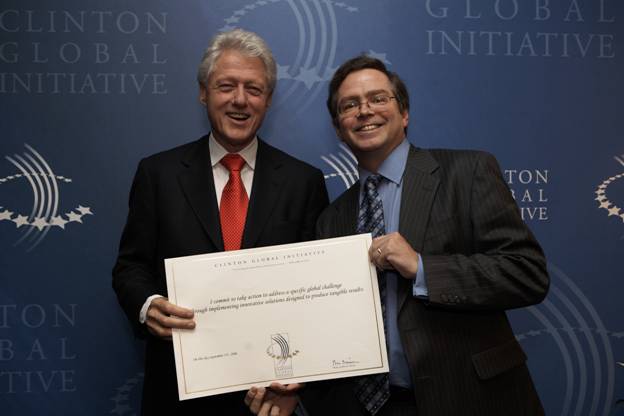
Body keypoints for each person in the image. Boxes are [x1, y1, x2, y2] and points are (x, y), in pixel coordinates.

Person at [245, 55, 549, 415]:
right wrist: (294, 378)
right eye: (350, 105)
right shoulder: (332, 218)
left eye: (377, 98)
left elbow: (527, 273)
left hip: (470, 398)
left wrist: (422, 267)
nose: (364, 111)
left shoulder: (467, 173)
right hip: (371, 406)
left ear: (404, 113)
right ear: (339, 128)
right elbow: (327, 323)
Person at [112, 29, 329, 415]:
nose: (240, 100)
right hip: (177, 392)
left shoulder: (304, 182)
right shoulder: (158, 174)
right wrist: (148, 305)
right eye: (226, 86)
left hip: (268, 398)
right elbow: (131, 266)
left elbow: (315, 293)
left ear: (269, 100)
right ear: (203, 92)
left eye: (254, 89)